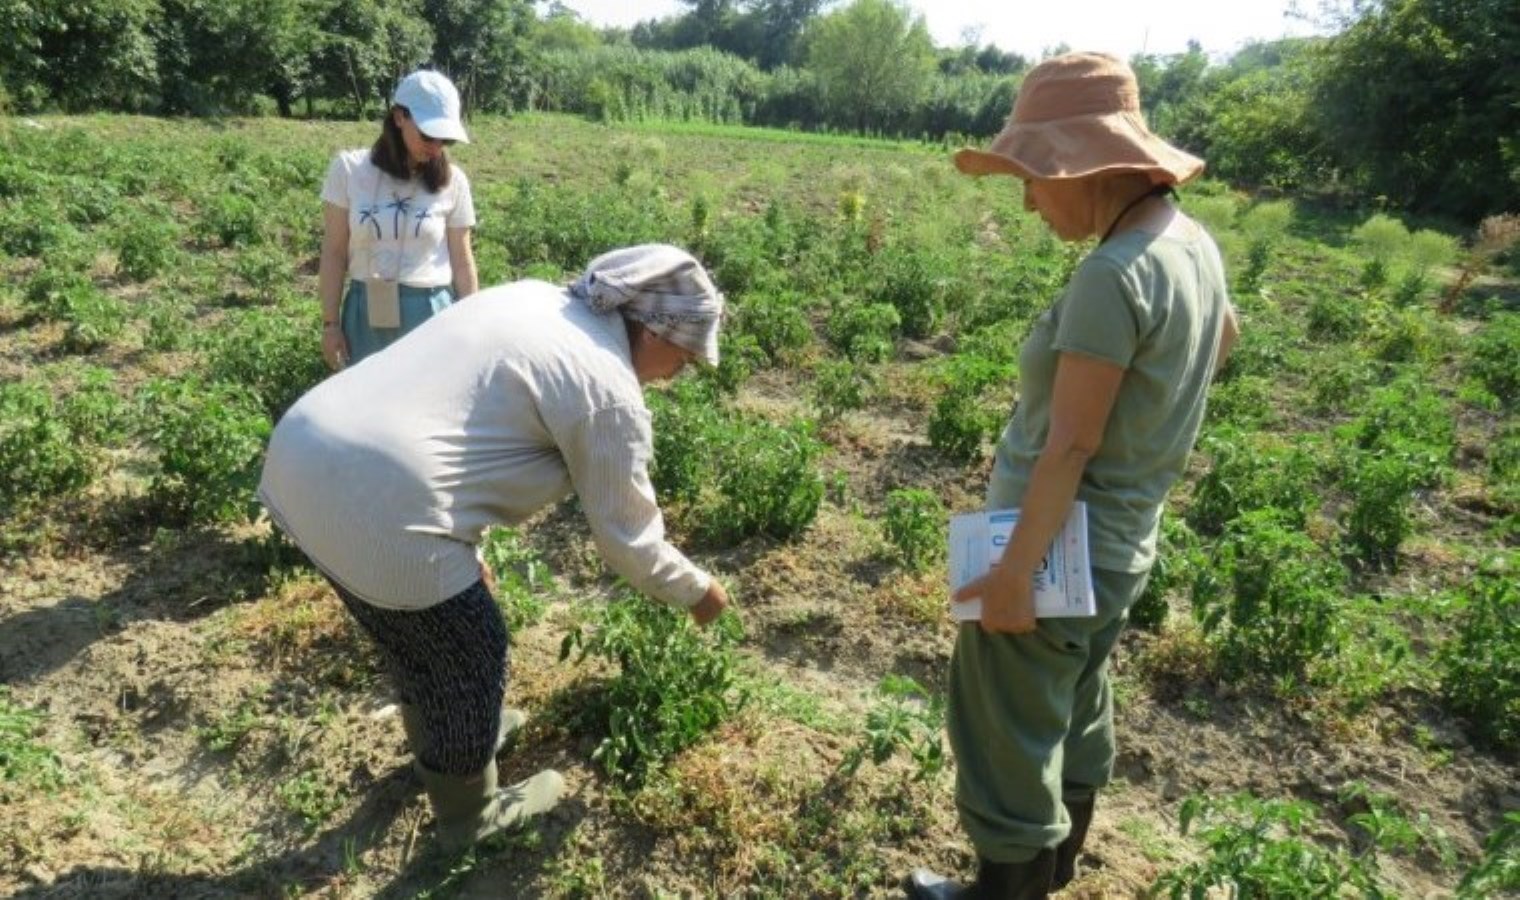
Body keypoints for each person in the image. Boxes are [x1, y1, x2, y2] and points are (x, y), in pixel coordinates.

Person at [259, 244, 731, 850]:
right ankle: (468, 815)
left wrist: (468, 551)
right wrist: (698, 592)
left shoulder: (534, 299)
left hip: (307, 455)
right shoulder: (606, 388)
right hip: (381, 508)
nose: (679, 372)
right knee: (471, 653)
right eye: (684, 355)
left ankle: (451, 743)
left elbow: (462, 429)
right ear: (652, 328)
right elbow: (628, 539)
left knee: (415, 636)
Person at [909, 53, 1240, 899]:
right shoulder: (1189, 243)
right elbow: (1223, 340)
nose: (1027, 197)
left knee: (1006, 734)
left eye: (1035, 175)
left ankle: (1005, 888)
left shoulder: (1111, 274)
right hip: (1123, 543)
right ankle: (1052, 873)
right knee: (1076, 708)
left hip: (1057, 551)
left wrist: (1014, 574)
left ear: (1089, 167)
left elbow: (1070, 448)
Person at [318, 69, 479, 370]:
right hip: (365, 313)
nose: (436, 147)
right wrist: (330, 325)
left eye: (446, 140)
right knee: (365, 408)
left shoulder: (453, 181)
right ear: (399, 117)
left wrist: (473, 326)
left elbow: (462, 260)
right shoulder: (349, 170)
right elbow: (334, 252)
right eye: (429, 135)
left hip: (431, 314)